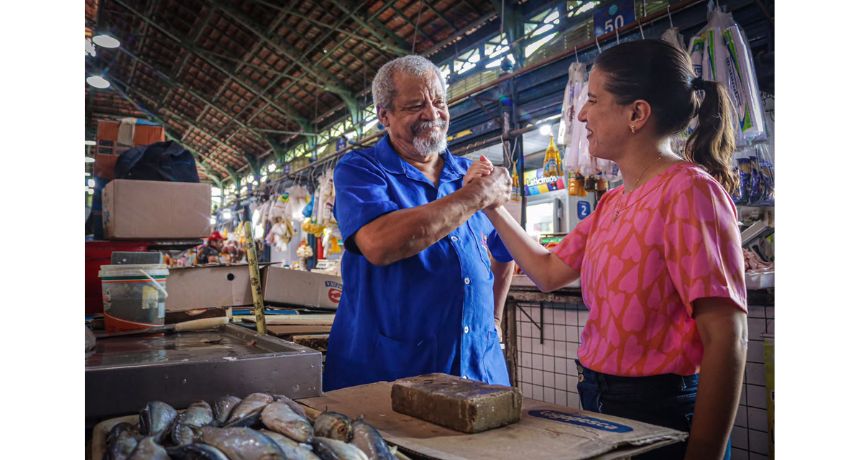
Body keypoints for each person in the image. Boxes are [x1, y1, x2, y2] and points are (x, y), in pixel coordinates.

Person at [476, 40, 748, 460]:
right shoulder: (614, 202)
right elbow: (548, 272)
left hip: (663, 409)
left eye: (593, 100)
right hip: (601, 399)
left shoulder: (690, 192)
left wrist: (705, 451)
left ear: (636, 114)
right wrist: (492, 204)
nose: (582, 114)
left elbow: (726, 335)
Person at [323, 55, 515, 392]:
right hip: (390, 374)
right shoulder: (361, 169)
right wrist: (476, 196)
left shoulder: (468, 174)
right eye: (415, 106)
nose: (432, 114)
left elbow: (505, 251)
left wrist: (495, 319)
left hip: (478, 369)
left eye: (439, 101)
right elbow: (380, 245)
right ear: (385, 115)